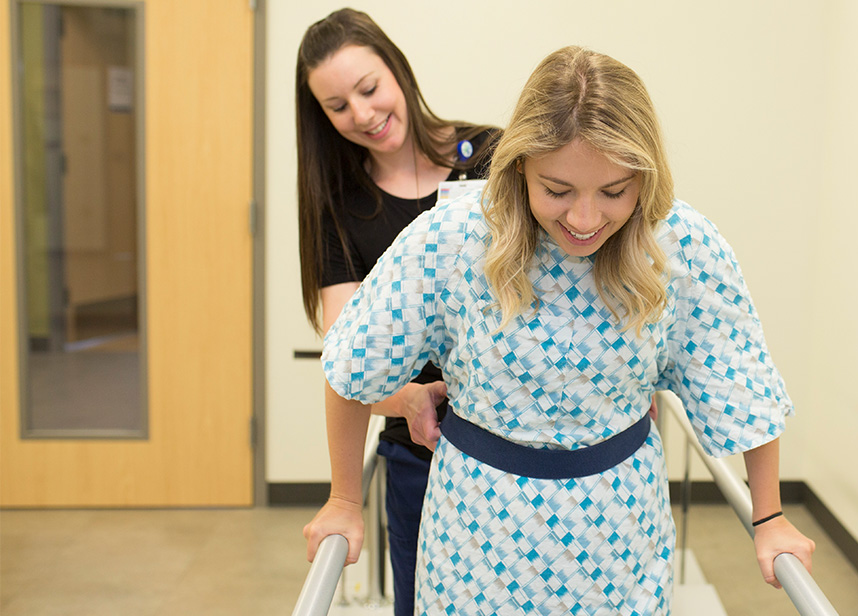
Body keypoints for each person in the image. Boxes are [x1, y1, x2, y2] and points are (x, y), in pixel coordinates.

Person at [308, 45, 815, 614]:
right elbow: (352, 361)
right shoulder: (451, 239)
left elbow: (740, 384)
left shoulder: (680, 245)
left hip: (620, 532)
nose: (584, 219)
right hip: (476, 533)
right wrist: (344, 500)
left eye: (614, 192)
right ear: (520, 166)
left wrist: (769, 516)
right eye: (557, 190)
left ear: (645, 175)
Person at [295, 8, 500, 616]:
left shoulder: (491, 157)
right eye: (338, 106)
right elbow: (346, 354)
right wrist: (407, 399)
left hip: (522, 440)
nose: (361, 114)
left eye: (369, 88)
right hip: (420, 455)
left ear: (397, 70)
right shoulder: (340, 207)